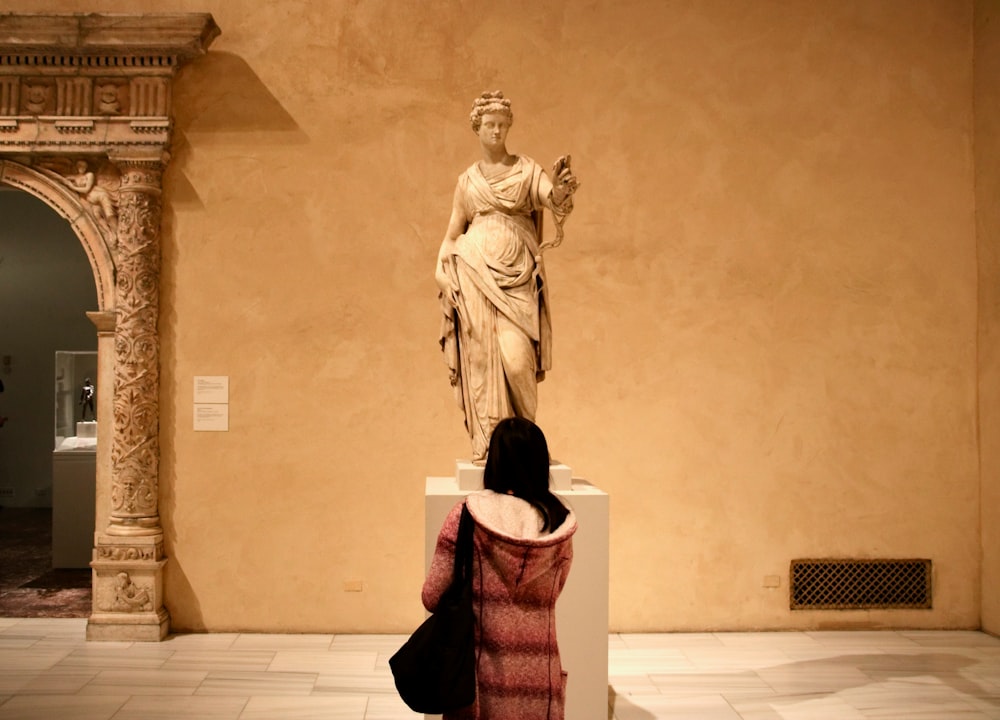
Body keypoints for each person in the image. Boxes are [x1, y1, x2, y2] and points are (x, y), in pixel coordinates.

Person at [436, 91, 579, 462]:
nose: (496, 131)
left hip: (516, 280)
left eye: (502, 125)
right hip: (473, 276)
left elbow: (553, 198)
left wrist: (561, 190)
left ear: (509, 127)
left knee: (517, 362)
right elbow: (451, 237)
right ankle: (489, 447)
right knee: (482, 363)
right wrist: (442, 277)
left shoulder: (526, 170)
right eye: (489, 125)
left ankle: (528, 449)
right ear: (477, 129)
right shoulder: (467, 182)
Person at [422, 417, 577, 719]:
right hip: (540, 680)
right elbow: (555, 591)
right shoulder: (559, 524)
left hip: (477, 682)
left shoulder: (467, 516)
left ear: (494, 461)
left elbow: (431, 596)